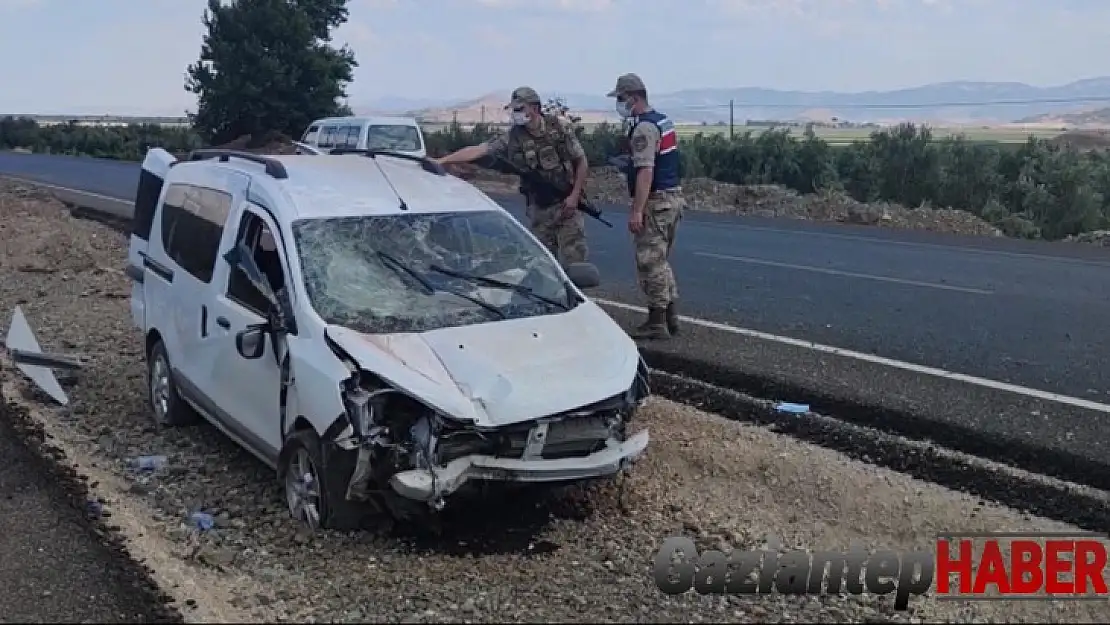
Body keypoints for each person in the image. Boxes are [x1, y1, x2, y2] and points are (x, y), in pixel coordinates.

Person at [433, 87, 590, 265]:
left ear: (535, 109)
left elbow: (581, 161)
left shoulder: (559, 127)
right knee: (544, 264)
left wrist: (574, 197)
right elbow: (479, 150)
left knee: (575, 261)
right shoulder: (513, 137)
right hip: (540, 208)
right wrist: (443, 161)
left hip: (566, 204)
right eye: (514, 109)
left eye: (520, 109)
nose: (516, 114)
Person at [607, 73, 685, 340]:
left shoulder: (643, 128)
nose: (619, 104)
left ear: (634, 97)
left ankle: (657, 321)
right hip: (672, 198)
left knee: (650, 262)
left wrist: (637, 210)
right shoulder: (663, 121)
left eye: (621, 98)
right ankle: (670, 316)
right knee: (660, 261)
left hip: (656, 202)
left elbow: (645, 171)